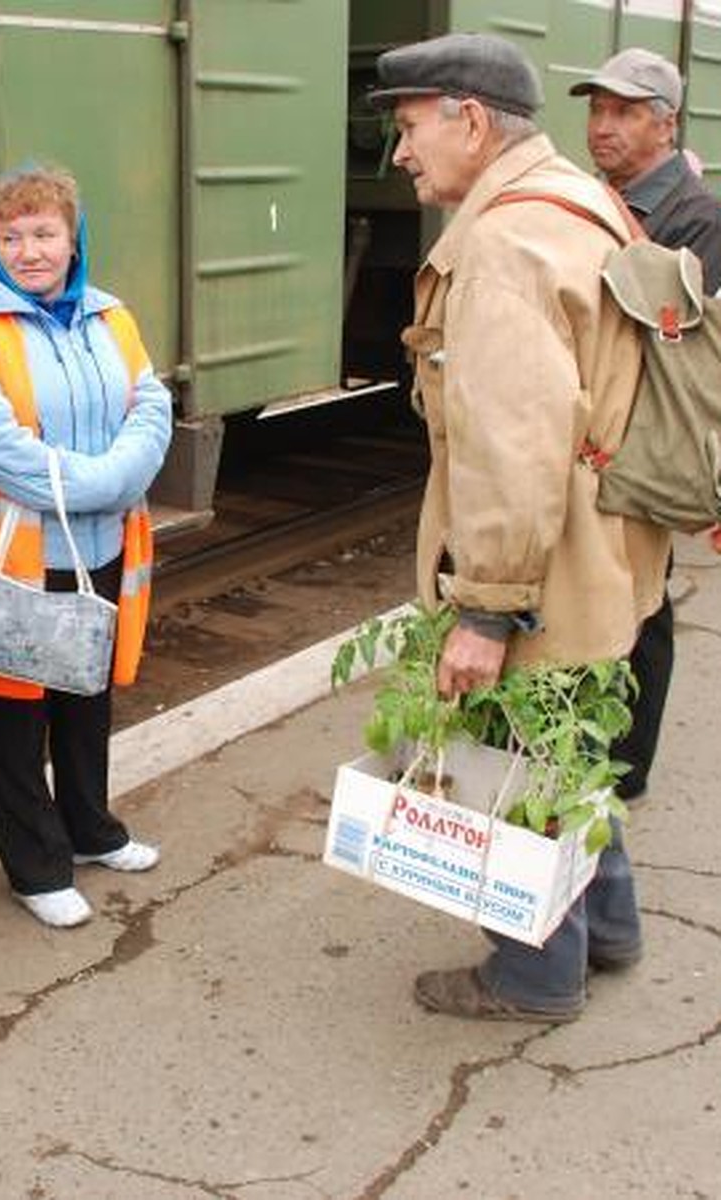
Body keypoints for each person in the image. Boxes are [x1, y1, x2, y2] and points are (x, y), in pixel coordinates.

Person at [367, 34, 671, 1021]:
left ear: (468, 117)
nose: (401, 152)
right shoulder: (584, 204)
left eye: (409, 126)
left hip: (545, 559)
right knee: (569, 741)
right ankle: (610, 928)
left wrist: (486, 613)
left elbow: (511, 447)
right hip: (608, 546)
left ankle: (535, 972)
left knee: (519, 748)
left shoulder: (501, 248)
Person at [0, 165, 172, 929]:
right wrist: (109, 480)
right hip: (16, 556)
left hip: (99, 547)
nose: (29, 250)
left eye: (44, 233)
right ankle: (35, 866)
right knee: (17, 717)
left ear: (73, 238)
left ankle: (91, 830)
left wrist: (118, 473)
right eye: (12, 236)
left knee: (87, 697)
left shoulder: (110, 317)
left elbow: (151, 403)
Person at [570, 48, 721, 806]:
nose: (603, 126)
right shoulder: (603, 196)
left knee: (644, 601)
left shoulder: (696, 217)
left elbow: (675, 343)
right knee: (605, 596)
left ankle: (628, 768)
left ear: (665, 125)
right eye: (597, 110)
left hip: (644, 444)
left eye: (624, 113)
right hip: (601, 438)